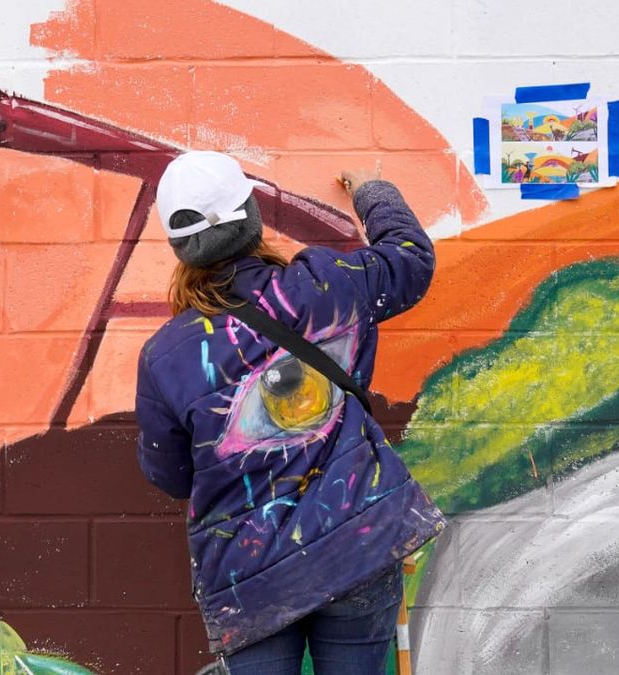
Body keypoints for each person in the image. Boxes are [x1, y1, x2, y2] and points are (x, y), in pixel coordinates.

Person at [135, 150, 446, 674]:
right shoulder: (329, 282)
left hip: (248, 579)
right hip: (357, 548)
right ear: (251, 218)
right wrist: (372, 191)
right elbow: (411, 257)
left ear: (180, 247)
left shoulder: (165, 356)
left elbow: (171, 476)